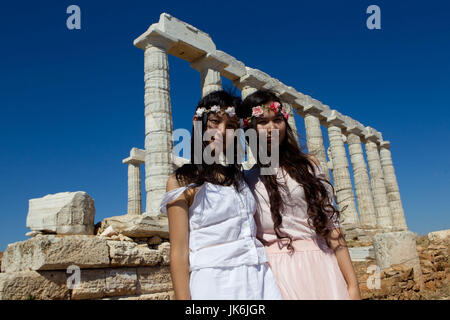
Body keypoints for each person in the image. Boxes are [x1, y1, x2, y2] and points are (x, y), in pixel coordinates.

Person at [238, 89, 362, 300]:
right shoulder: (246, 180)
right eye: (262, 122)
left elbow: (332, 229)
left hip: (321, 265)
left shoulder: (309, 166)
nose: (272, 128)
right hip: (275, 274)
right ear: (249, 128)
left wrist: (353, 286)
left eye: (277, 120)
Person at [160, 90, 282, 300]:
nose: (222, 132)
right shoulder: (181, 181)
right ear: (198, 121)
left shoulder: (240, 177)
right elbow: (179, 253)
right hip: (215, 283)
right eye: (215, 122)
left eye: (232, 126)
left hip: (260, 277)